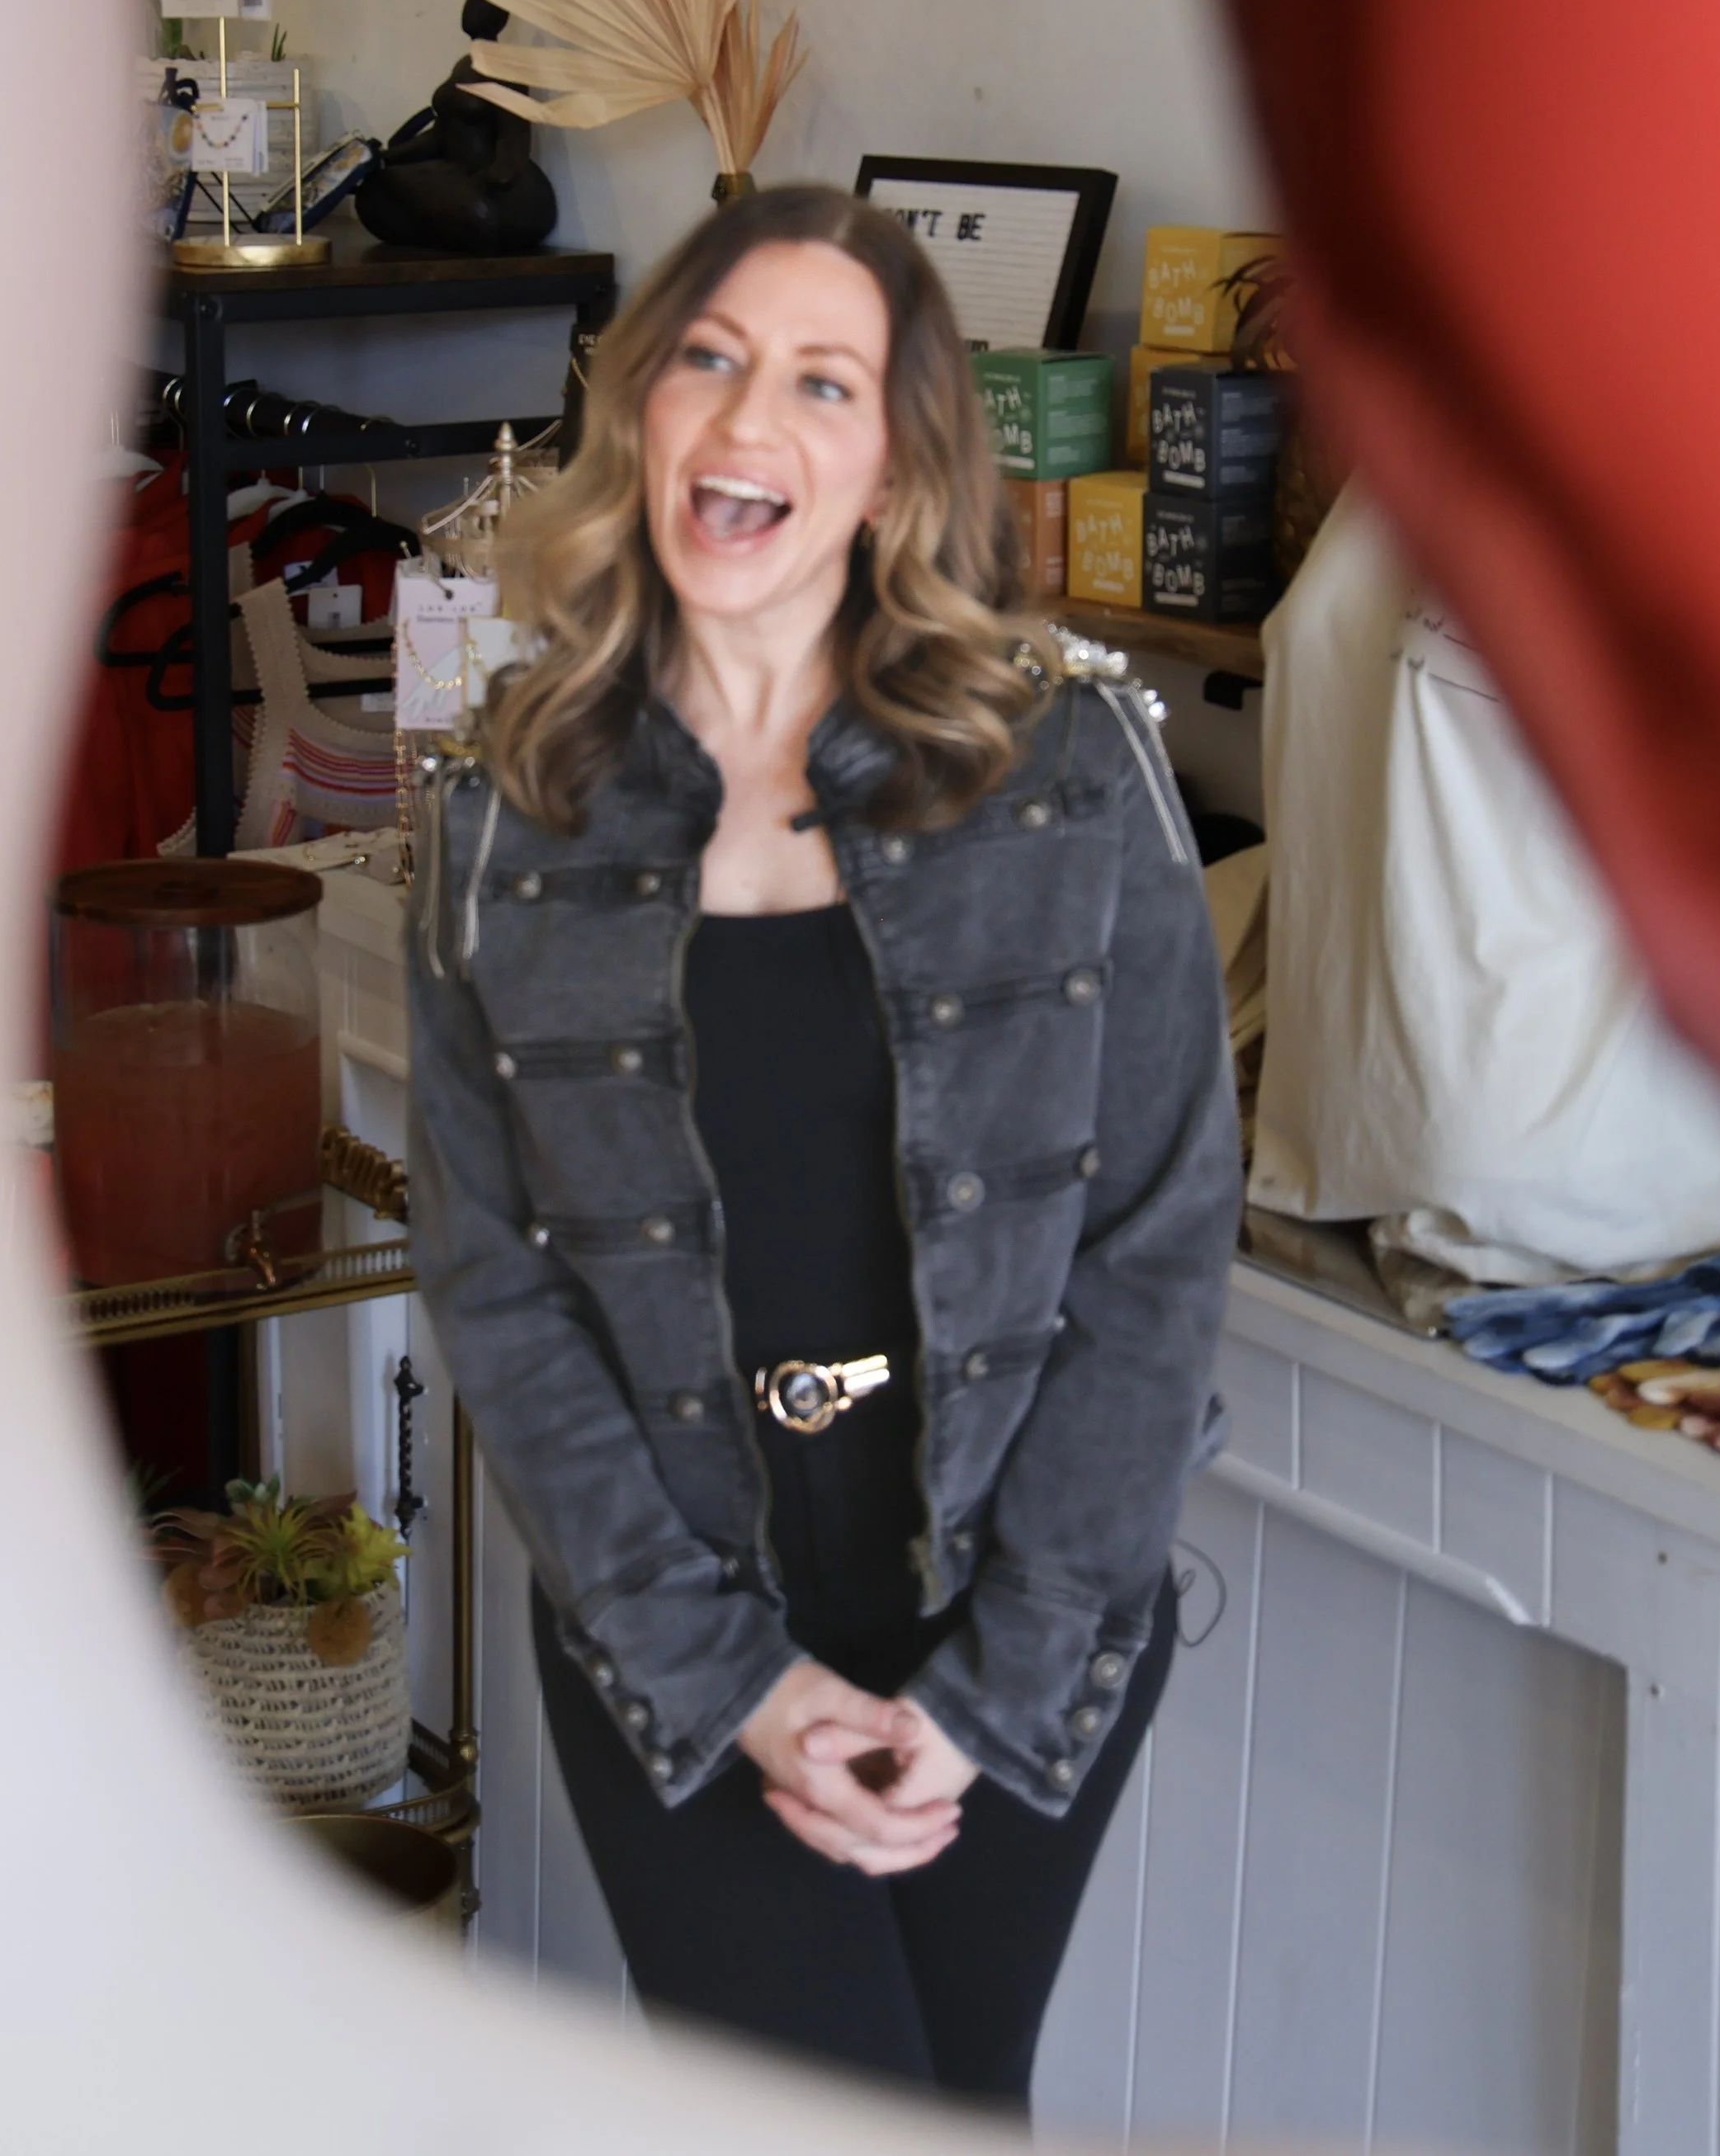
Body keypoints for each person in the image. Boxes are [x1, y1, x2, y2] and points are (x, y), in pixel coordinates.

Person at [406, 184, 1239, 2103]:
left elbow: (1157, 1246)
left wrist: (999, 1680)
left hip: (1015, 1621)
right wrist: (737, 1685)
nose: (744, 422)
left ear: (890, 461)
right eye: (706, 360)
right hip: (683, 1643)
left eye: (819, 379)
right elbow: (497, 1293)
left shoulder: (1065, 773)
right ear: (638, 413)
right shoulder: (505, 813)